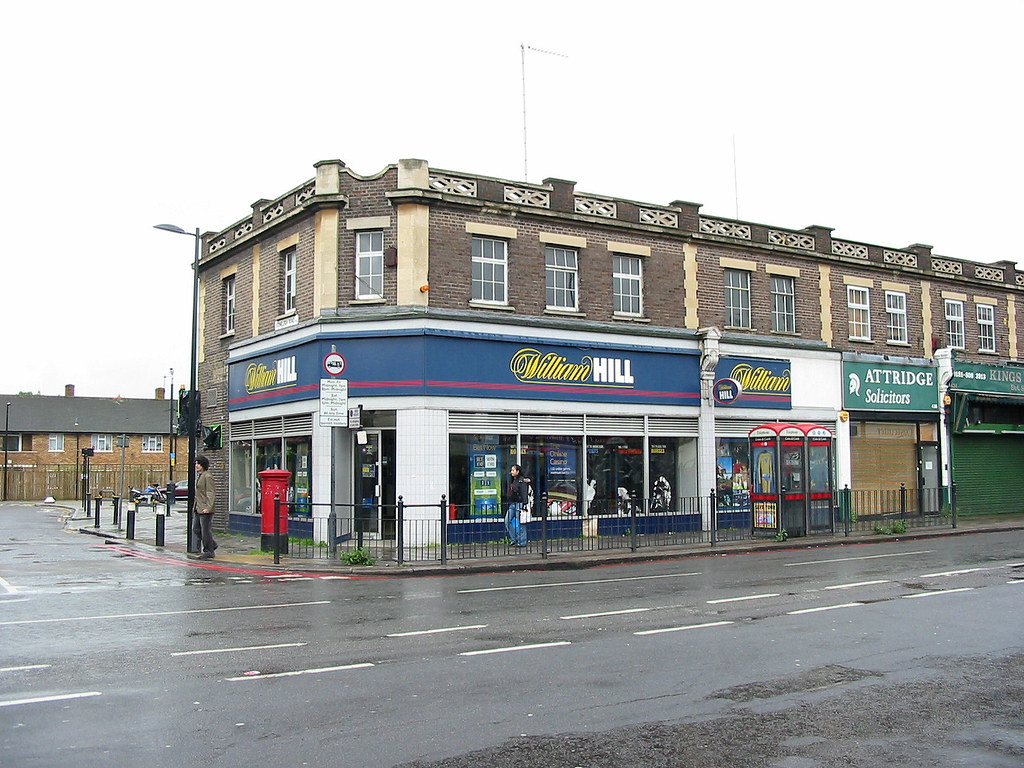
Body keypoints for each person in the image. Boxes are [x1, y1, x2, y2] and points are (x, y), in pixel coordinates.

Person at [192, 455, 218, 559]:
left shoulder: (207, 476)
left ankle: (209, 551)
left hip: (205, 509)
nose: (196, 465)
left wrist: (208, 507)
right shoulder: (201, 475)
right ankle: (212, 545)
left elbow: (211, 493)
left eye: (198, 464)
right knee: (196, 529)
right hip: (198, 507)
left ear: (203, 464)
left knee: (205, 530)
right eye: (196, 463)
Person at [505, 464, 530, 547]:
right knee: (507, 521)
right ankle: (515, 539)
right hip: (513, 503)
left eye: (513, 470)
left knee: (521, 523)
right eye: (511, 470)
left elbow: (524, 492)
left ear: (518, 471)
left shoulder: (521, 481)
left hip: (519, 504)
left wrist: (524, 504)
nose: (511, 472)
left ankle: (522, 542)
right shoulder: (513, 480)